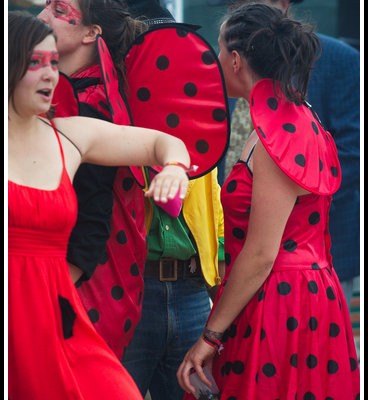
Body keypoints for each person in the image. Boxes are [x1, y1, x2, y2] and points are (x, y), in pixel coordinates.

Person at [177, 4, 360, 399]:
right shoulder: (288, 116)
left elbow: (262, 252)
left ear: (237, 60)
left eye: (220, 51)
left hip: (281, 298)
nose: (216, 59)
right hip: (292, 292)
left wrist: (210, 335)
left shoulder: (279, 131)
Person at [8, 10, 191, 399]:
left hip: (56, 320)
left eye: (54, 62)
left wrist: (173, 168)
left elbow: (162, 142)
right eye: (35, 63)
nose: (50, 75)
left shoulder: (70, 136)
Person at [222, 0, 361, 310]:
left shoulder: (339, 60)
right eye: (234, 4)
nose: (238, 12)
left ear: (283, 4)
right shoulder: (228, 61)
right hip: (232, 244)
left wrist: (275, 220)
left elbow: (349, 159)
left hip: (309, 254)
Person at [120, 2, 226, 399]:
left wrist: (215, 282)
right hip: (132, 290)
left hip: (193, 290)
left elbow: (214, 204)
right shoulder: (113, 115)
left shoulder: (196, 115)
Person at [38, 0, 151, 359]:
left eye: (58, 11)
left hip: (82, 293)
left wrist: (43, 295)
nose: (41, 17)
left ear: (91, 33)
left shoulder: (88, 104)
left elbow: (91, 221)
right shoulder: (83, 91)